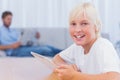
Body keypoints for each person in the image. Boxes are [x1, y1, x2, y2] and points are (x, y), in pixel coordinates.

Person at [53, 2, 120, 80]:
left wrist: (74, 75)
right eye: (73, 24)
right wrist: (67, 69)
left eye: (84, 23)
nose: (77, 29)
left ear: (96, 27)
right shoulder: (77, 47)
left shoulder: (103, 46)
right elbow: (57, 58)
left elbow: (115, 77)